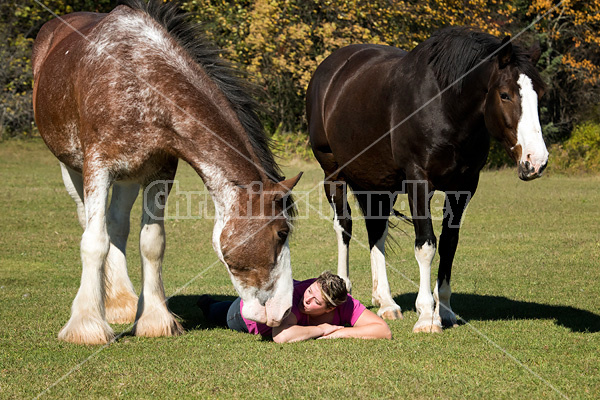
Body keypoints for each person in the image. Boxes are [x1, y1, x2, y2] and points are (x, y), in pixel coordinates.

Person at [197, 271, 392, 343]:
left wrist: (338, 334)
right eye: (310, 291)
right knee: (213, 311)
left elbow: (383, 330)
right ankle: (205, 302)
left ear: (330, 308)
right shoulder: (294, 297)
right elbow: (281, 336)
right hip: (242, 315)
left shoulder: (345, 303)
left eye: (316, 301)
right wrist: (322, 329)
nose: (307, 299)